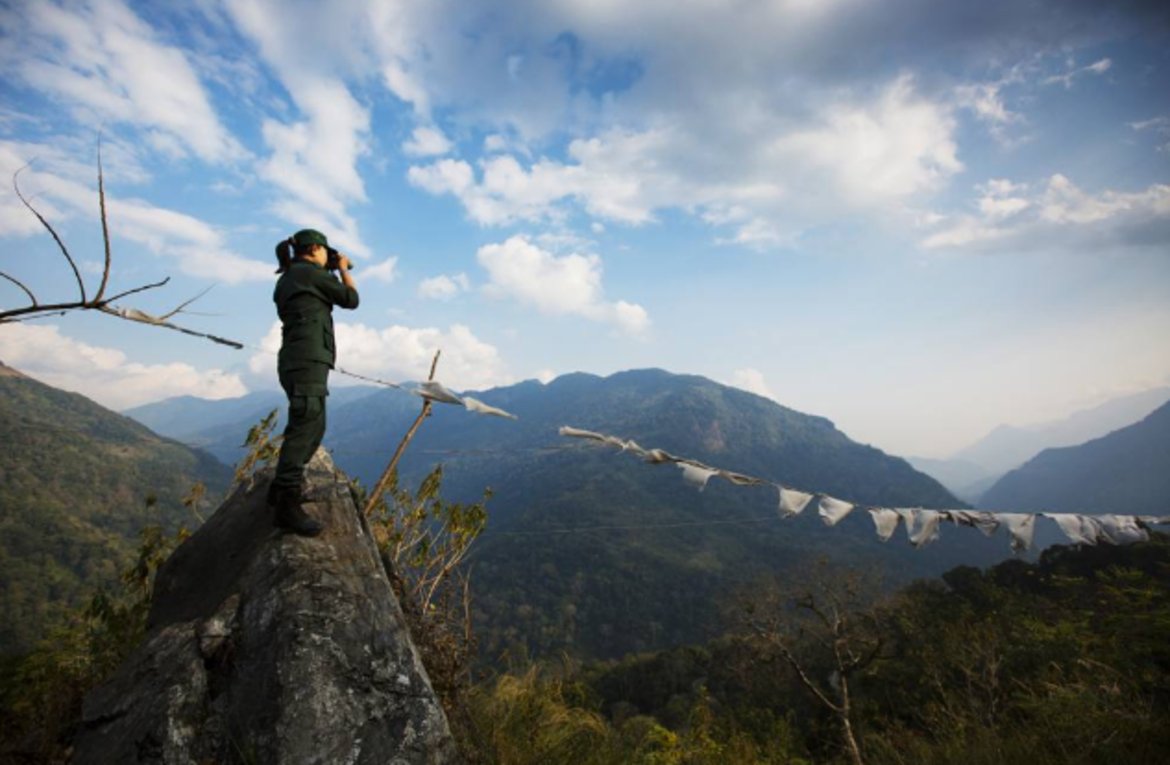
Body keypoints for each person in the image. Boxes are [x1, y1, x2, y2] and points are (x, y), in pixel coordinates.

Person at [267, 228, 359, 536]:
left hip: (298, 359)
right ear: (317, 248)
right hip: (307, 360)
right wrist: (343, 269)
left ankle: (281, 491)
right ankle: (286, 505)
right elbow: (351, 299)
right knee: (306, 425)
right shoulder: (308, 274)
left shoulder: (291, 277)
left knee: (311, 425)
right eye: (326, 252)